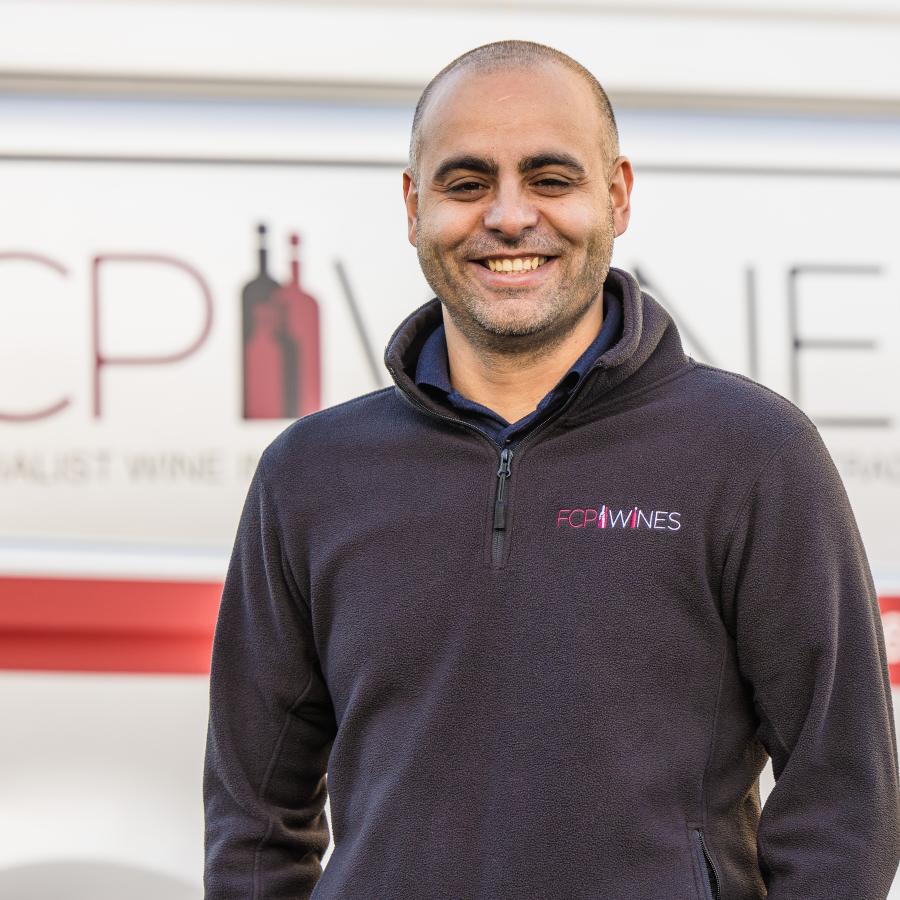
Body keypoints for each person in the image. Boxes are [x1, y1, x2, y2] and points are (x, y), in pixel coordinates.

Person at [204, 40, 900, 900]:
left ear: (616, 194)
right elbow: (252, 815)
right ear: (414, 205)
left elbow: (844, 796)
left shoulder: (754, 453)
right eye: (466, 184)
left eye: (550, 179)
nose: (506, 217)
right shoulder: (308, 475)